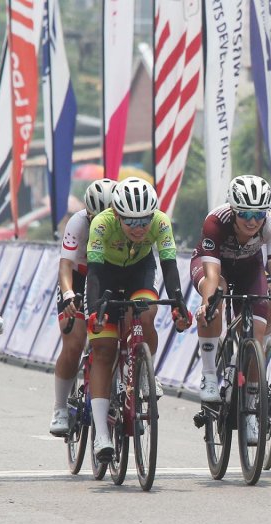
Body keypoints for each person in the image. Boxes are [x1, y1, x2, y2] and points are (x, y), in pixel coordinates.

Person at [85, 177, 192, 462]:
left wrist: (178, 303)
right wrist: (96, 310)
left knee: (146, 313)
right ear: (117, 214)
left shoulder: (161, 222)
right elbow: (93, 274)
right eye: (131, 221)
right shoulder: (102, 224)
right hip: (105, 274)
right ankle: (102, 435)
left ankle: (145, 370)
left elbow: (169, 266)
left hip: (139, 271)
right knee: (103, 351)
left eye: (144, 220)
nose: (139, 227)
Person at [191, 175, 271, 416]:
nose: (252, 221)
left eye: (258, 214)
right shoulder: (216, 221)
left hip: (250, 268)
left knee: (256, 337)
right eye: (245, 214)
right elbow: (213, 274)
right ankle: (208, 376)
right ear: (234, 210)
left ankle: (250, 407)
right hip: (215, 268)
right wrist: (207, 303)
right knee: (216, 297)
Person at [49, 178, 116, 436]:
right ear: (88, 213)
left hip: (107, 278)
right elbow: (65, 265)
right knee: (74, 344)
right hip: (78, 279)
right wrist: (67, 294)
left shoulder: (123, 225)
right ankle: (60, 407)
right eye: (94, 217)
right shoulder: (77, 223)